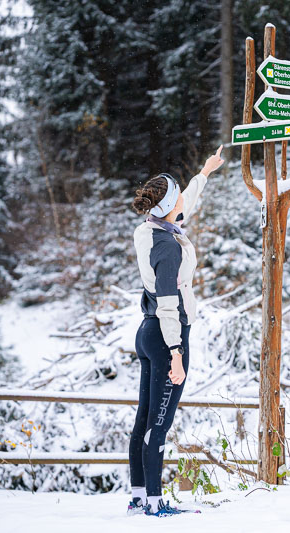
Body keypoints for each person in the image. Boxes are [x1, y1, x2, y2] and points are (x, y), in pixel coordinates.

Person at [126, 146, 225, 517]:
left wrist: (205, 172)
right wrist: (177, 353)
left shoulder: (152, 229)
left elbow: (185, 207)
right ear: (168, 205)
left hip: (147, 331)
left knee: (143, 421)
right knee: (159, 424)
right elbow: (169, 302)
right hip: (167, 334)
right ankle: (154, 502)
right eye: (179, 192)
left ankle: (138, 497)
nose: (185, 198)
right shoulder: (167, 246)